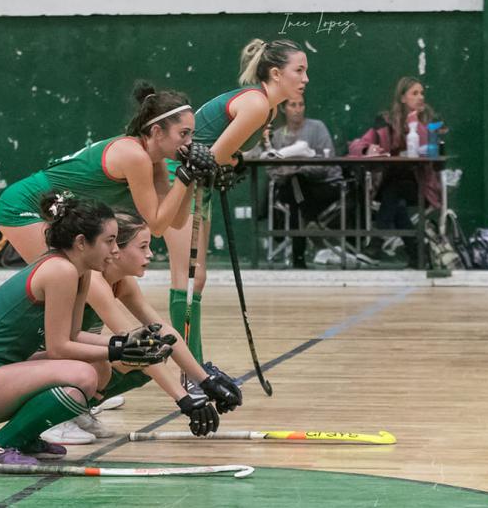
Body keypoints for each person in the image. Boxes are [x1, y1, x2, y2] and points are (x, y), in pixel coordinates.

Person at [0, 193, 174, 465]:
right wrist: (117, 349)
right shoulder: (60, 271)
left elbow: (73, 335)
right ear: (81, 243)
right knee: (84, 374)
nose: (115, 250)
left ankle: (26, 437)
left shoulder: (81, 270)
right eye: (109, 241)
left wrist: (125, 341)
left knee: (98, 369)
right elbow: (58, 347)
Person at [163, 38, 308, 361]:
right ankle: (191, 371)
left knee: (195, 277)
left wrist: (234, 163)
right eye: (299, 70)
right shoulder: (257, 105)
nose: (305, 78)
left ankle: (193, 367)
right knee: (186, 277)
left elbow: (221, 155)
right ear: (275, 73)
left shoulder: (266, 108)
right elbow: (211, 155)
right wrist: (228, 163)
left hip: (197, 180)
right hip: (179, 175)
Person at [42, 211, 242, 444]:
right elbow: (135, 344)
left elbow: (161, 329)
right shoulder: (94, 280)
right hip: (41, 359)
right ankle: (53, 417)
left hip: (62, 360)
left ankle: (76, 409)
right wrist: (184, 400)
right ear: (116, 250)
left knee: (156, 351)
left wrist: (206, 381)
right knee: (135, 353)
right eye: (143, 247)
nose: (150, 254)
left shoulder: (122, 281)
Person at [0, 81, 216, 264]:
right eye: (183, 134)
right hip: (22, 205)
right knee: (63, 276)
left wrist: (189, 179)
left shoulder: (154, 160)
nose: (190, 143)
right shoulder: (135, 156)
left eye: (192, 134)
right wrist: (182, 178)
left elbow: (174, 222)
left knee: (104, 280)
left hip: (55, 207)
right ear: (157, 132)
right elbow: (157, 226)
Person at [348, 76, 444, 268]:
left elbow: (429, 150)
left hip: (420, 185)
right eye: (414, 93)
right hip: (385, 184)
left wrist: (416, 124)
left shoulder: (429, 121)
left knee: (395, 193)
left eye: (422, 93)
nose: (420, 97)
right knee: (395, 199)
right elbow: (356, 146)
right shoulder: (385, 122)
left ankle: (375, 245)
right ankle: (416, 255)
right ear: (402, 98)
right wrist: (368, 150)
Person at [261, 94, 346, 268]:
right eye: (293, 105)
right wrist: (291, 172)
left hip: (323, 185)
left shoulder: (318, 128)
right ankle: (311, 222)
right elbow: (272, 169)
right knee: (295, 186)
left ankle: (298, 258)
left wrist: (299, 169)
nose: (298, 109)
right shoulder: (277, 136)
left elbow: (326, 162)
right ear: (284, 109)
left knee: (296, 195)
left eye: (301, 105)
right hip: (292, 187)